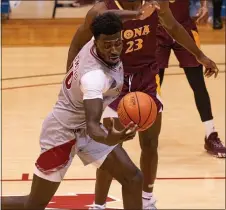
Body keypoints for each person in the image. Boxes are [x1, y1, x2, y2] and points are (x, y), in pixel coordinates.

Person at [66, 1, 219, 209]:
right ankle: (99, 205)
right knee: (111, 149)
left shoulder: (155, 4)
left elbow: (173, 27)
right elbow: (77, 42)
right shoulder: (102, 10)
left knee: (150, 143)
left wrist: (199, 55)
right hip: (114, 79)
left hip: (147, 77)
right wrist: (71, 79)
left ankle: (147, 200)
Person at [1, 12, 147, 210]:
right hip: (62, 133)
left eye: (117, 43)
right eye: (107, 45)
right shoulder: (94, 77)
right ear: (95, 42)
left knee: (133, 178)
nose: (114, 50)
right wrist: (109, 139)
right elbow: (93, 126)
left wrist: (136, 14)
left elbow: (101, 19)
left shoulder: (92, 35)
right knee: (33, 204)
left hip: (84, 129)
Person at [157, 0, 225, 158]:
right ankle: (149, 134)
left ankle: (211, 135)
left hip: (184, 28)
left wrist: (204, 5)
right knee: (154, 86)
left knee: (198, 84)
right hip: (157, 31)